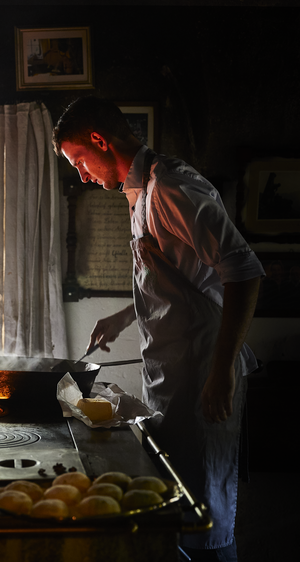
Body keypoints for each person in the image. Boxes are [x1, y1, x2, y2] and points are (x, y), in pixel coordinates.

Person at [53, 96, 264, 561]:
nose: (82, 176)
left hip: (205, 370)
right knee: (178, 506)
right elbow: (180, 278)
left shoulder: (171, 187)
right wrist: (126, 315)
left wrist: (222, 371)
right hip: (176, 372)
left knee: (203, 513)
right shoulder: (141, 191)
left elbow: (243, 271)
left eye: (80, 162)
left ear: (99, 140)